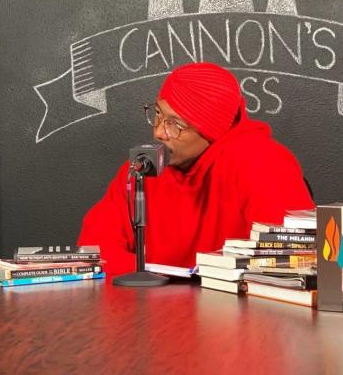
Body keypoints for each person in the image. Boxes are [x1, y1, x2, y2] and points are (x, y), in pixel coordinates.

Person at [79, 63, 314, 276]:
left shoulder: (263, 162)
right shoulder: (142, 168)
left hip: (234, 316)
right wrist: (155, 285)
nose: (159, 132)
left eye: (176, 125)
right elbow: (95, 249)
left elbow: (289, 268)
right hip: (151, 311)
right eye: (158, 114)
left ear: (212, 132)